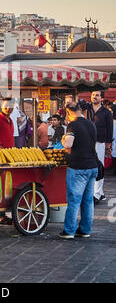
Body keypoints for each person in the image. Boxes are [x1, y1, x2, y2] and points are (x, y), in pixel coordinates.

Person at [59, 102, 98, 239]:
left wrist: (63, 139)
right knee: (88, 201)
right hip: (92, 166)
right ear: (80, 110)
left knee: (74, 200)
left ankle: (69, 231)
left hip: (78, 167)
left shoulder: (73, 124)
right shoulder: (91, 124)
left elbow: (69, 144)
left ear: (68, 113)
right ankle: (85, 230)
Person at [82, 91, 113, 204]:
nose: (94, 97)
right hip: (87, 141)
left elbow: (110, 129)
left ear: (102, 98)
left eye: (97, 95)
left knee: (99, 166)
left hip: (100, 142)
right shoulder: (86, 109)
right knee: (87, 166)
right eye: (93, 95)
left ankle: (97, 193)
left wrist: (108, 145)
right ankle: (94, 192)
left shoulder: (106, 112)